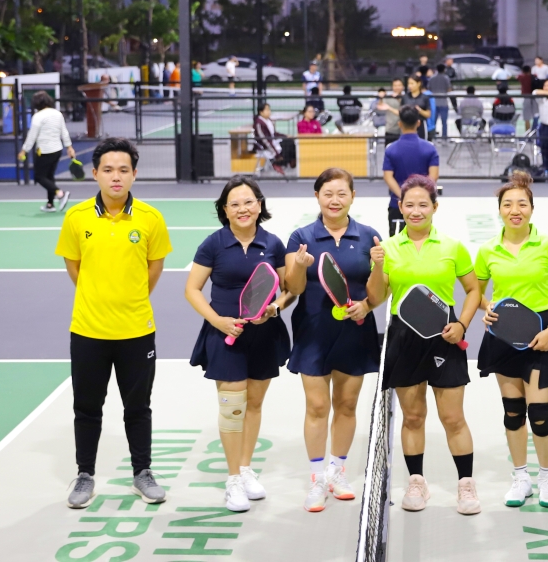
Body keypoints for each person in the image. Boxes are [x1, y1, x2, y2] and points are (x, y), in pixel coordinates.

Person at [57, 138, 171, 510]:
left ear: (134, 174)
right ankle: (85, 475)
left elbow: (154, 268)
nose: (116, 176)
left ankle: (142, 473)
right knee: (87, 407)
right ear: (95, 173)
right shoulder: (76, 217)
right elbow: (74, 266)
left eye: (123, 170)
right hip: (88, 331)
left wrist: (129, 298)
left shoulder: (151, 218)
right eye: (108, 169)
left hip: (137, 330)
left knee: (138, 407)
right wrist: (99, 297)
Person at [365, 175, 483, 515]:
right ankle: (416, 481)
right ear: (400, 208)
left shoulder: (452, 246)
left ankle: (466, 484)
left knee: (453, 417)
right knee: (413, 416)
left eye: (423, 204)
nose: (416, 211)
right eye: (409, 205)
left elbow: (474, 290)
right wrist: (377, 266)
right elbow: (376, 297)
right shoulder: (388, 248)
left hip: (445, 335)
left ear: (435, 207)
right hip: (404, 336)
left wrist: (462, 324)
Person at [184, 176, 297, 512]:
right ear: (224, 209)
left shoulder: (273, 243)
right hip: (225, 336)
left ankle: (246, 469)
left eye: (248, 202)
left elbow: (288, 289)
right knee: (233, 407)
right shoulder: (213, 244)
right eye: (234, 204)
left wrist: (275, 308)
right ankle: (233, 479)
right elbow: (192, 289)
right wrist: (217, 320)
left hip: (264, 335)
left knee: (255, 404)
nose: (242, 209)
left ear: (259, 206)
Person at [282, 168, 383, 512]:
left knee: (347, 404)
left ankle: (337, 471)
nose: (335, 200)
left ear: (353, 196)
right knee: (317, 406)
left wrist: (367, 304)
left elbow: (379, 292)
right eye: (328, 193)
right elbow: (293, 288)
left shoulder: (369, 236)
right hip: (313, 331)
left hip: (355, 330)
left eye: (342, 193)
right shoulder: (301, 237)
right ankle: (316, 479)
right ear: (317, 197)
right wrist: (299, 265)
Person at [475, 171, 548, 508]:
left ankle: (546, 477)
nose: (515, 210)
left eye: (521, 204)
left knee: (540, 414)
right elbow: (476, 292)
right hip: (503, 334)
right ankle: (521, 478)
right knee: (513, 413)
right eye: (508, 204)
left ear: (532, 209)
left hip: (541, 332)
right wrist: (487, 308)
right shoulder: (487, 250)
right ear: (499, 210)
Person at [383, 106, 440, 235]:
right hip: (423, 204)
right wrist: (421, 195)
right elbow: (434, 176)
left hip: (397, 203)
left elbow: (388, 177)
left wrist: (404, 196)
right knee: (424, 239)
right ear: (418, 123)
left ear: (400, 124)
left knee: (396, 242)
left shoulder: (391, 149)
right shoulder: (430, 148)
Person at [20, 91, 77, 212]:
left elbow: (32, 136)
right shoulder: (58, 114)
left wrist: (24, 150)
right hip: (57, 150)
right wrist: (69, 147)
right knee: (49, 176)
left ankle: (60, 194)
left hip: (44, 151)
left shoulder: (38, 116)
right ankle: (50, 204)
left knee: (39, 177)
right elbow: (64, 132)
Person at [253, 102, 285, 176]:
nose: (269, 111)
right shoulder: (259, 123)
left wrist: (285, 136)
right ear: (261, 112)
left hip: (272, 142)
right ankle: (276, 163)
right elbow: (264, 140)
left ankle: (283, 163)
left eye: (269, 110)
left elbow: (274, 133)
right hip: (264, 146)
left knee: (289, 142)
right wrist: (276, 153)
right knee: (286, 145)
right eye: (267, 110)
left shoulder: (268, 120)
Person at [427, 63, 452, 141]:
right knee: (444, 121)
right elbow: (449, 89)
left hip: (434, 102)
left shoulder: (432, 78)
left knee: (433, 121)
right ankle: (444, 136)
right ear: (444, 69)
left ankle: (433, 136)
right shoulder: (446, 78)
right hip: (443, 101)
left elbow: (429, 88)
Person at [403, 74, 432, 139]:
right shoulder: (405, 97)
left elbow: (428, 114)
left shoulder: (424, 97)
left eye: (412, 83)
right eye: (409, 84)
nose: (410, 86)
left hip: (421, 125)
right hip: (408, 125)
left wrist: (419, 110)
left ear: (418, 84)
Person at [378, 78, 406, 146]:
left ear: (403, 86)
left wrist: (397, 98)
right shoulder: (388, 97)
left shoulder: (406, 97)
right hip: (391, 130)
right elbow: (380, 106)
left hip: (404, 130)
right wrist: (381, 98)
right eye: (395, 85)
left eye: (399, 85)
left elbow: (403, 111)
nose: (397, 87)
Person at [518, 64, 536, 131]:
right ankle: (534, 131)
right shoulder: (534, 76)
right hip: (534, 97)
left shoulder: (521, 77)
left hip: (526, 97)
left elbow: (518, 77)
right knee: (535, 115)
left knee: (526, 117)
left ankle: (527, 132)